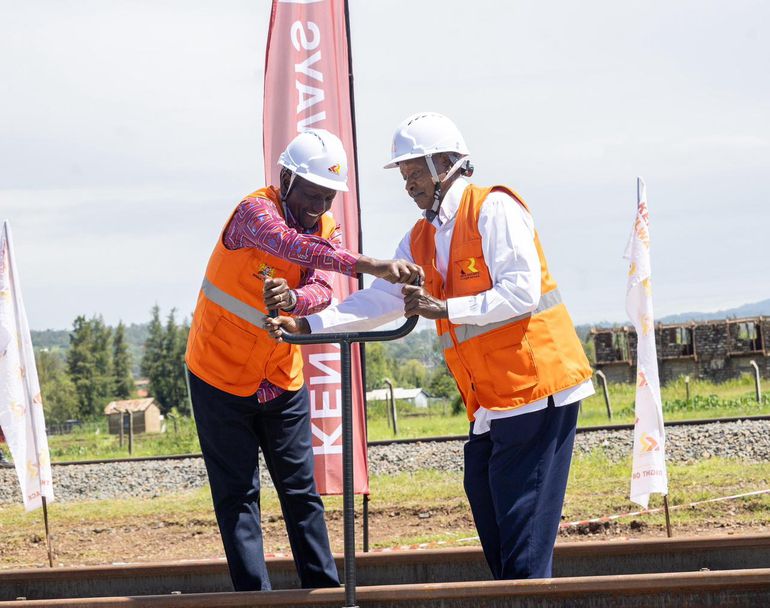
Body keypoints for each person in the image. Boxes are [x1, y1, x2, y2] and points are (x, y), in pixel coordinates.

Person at [266, 113, 595, 580]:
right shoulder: (420, 237)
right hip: (493, 401)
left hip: (537, 389)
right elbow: (380, 300)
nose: (408, 185)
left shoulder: (493, 209)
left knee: (521, 546)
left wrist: (445, 309)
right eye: (404, 176)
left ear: (446, 164)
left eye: (414, 173)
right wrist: (308, 326)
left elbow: (521, 292)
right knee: (489, 511)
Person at [184, 128, 421, 592]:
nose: (320, 207)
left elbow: (321, 289)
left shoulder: (324, 226)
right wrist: (372, 266)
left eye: (329, 197)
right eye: (313, 193)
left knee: (301, 494)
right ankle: (256, 598)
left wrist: (294, 297)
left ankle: (326, 593)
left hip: (280, 376)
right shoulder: (255, 211)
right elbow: (291, 246)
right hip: (219, 374)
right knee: (238, 497)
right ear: (286, 179)